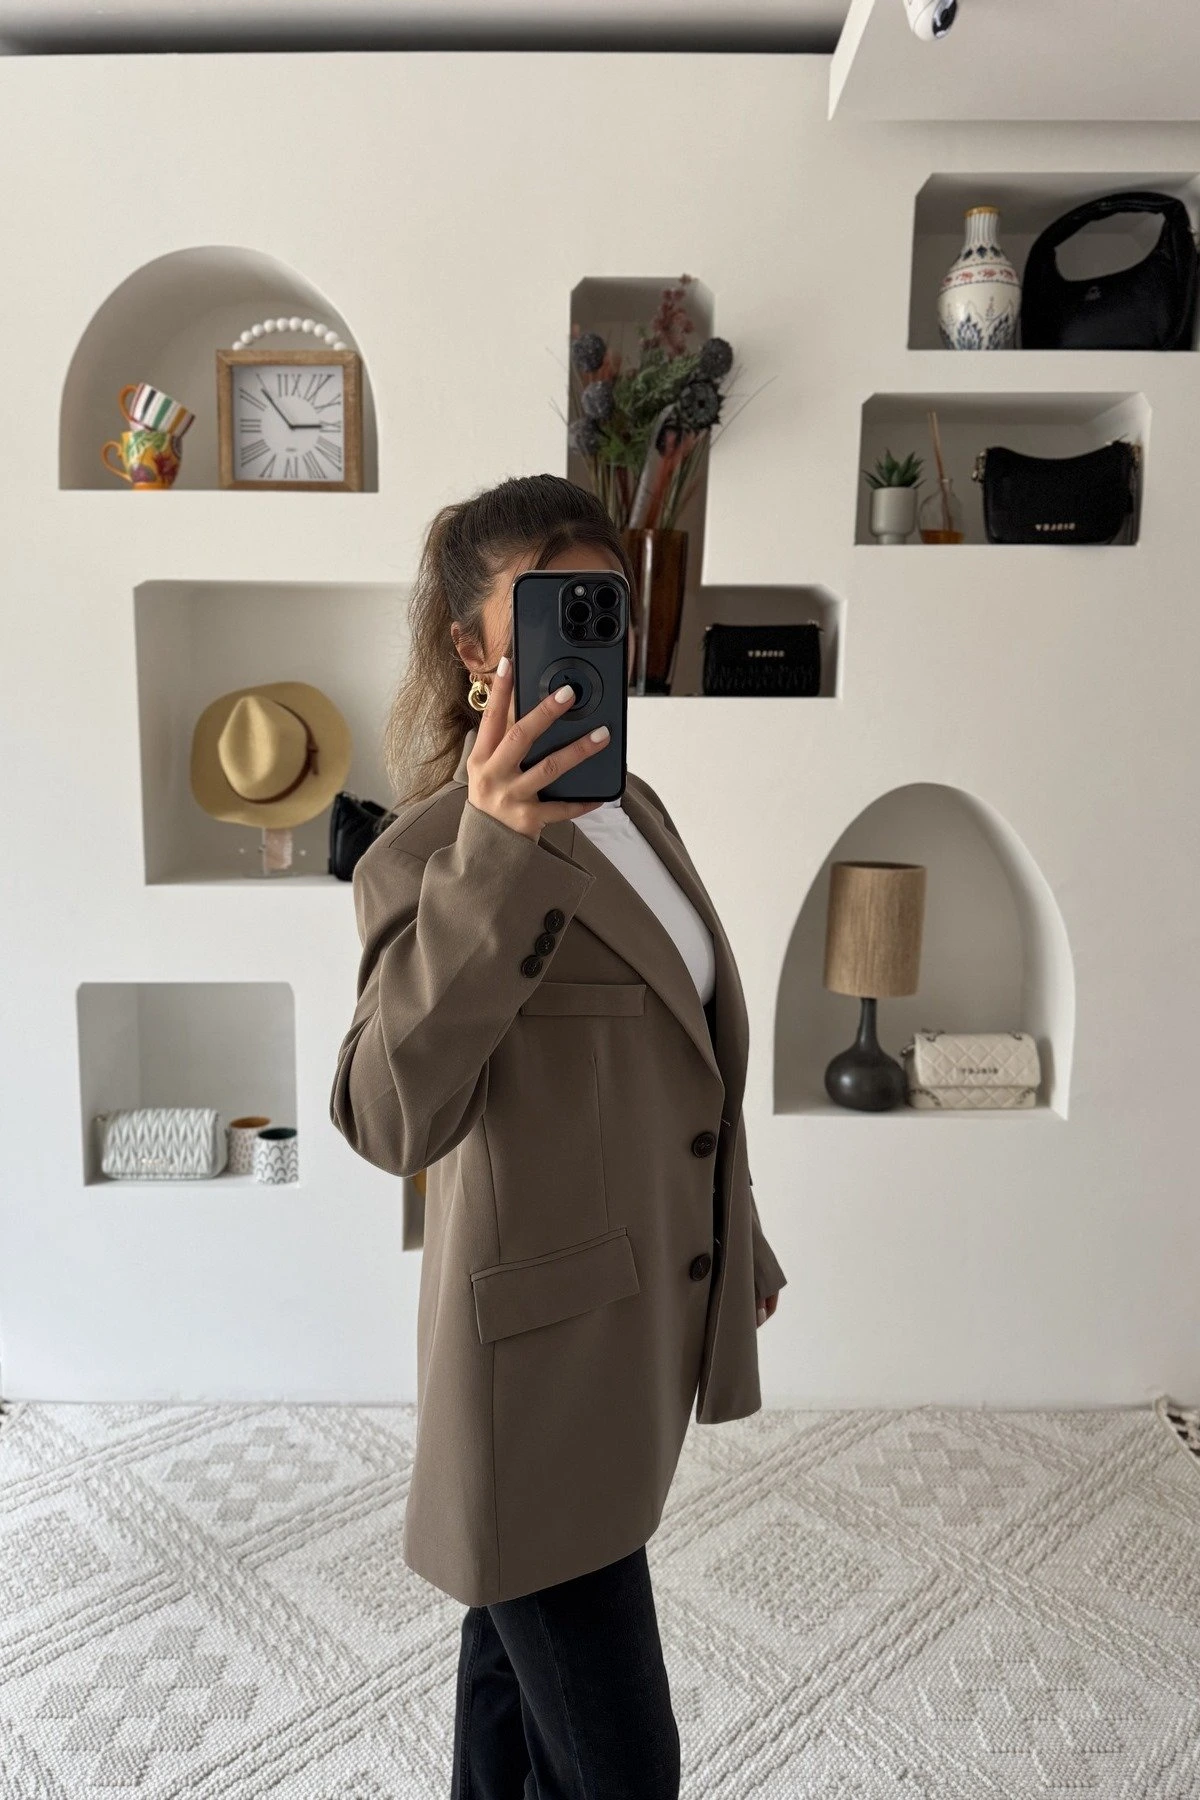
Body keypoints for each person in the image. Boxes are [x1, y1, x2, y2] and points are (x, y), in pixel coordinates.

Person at [330, 473, 787, 1799]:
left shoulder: (640, 812)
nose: (595, 633)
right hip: (532, 1374)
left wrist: (740, 1238)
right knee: (622, 1766)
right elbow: (389, 1116)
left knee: (511, 1679)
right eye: (550, 609)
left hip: (630, 1324)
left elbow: (686, 1066)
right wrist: (495, 855)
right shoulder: (423, 860)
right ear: (474, 649)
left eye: (607, 606)